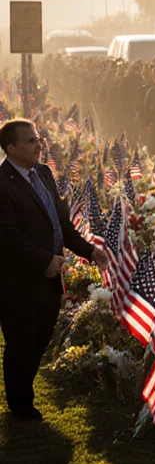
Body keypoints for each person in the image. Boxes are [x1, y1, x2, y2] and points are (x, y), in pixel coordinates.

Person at [0, 119, 110, 421]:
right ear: (11, 148)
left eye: (39, 139)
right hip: (18, 281)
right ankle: (20, 405)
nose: (39, 145)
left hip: (49, 279)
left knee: (42, 336)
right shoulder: (3, 184)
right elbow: (7, 236)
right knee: (21, 342)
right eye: (31, 141)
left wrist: (89, 250)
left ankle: (22, 390)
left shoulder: (43, 173)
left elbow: (61, 222)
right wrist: (43, 260)